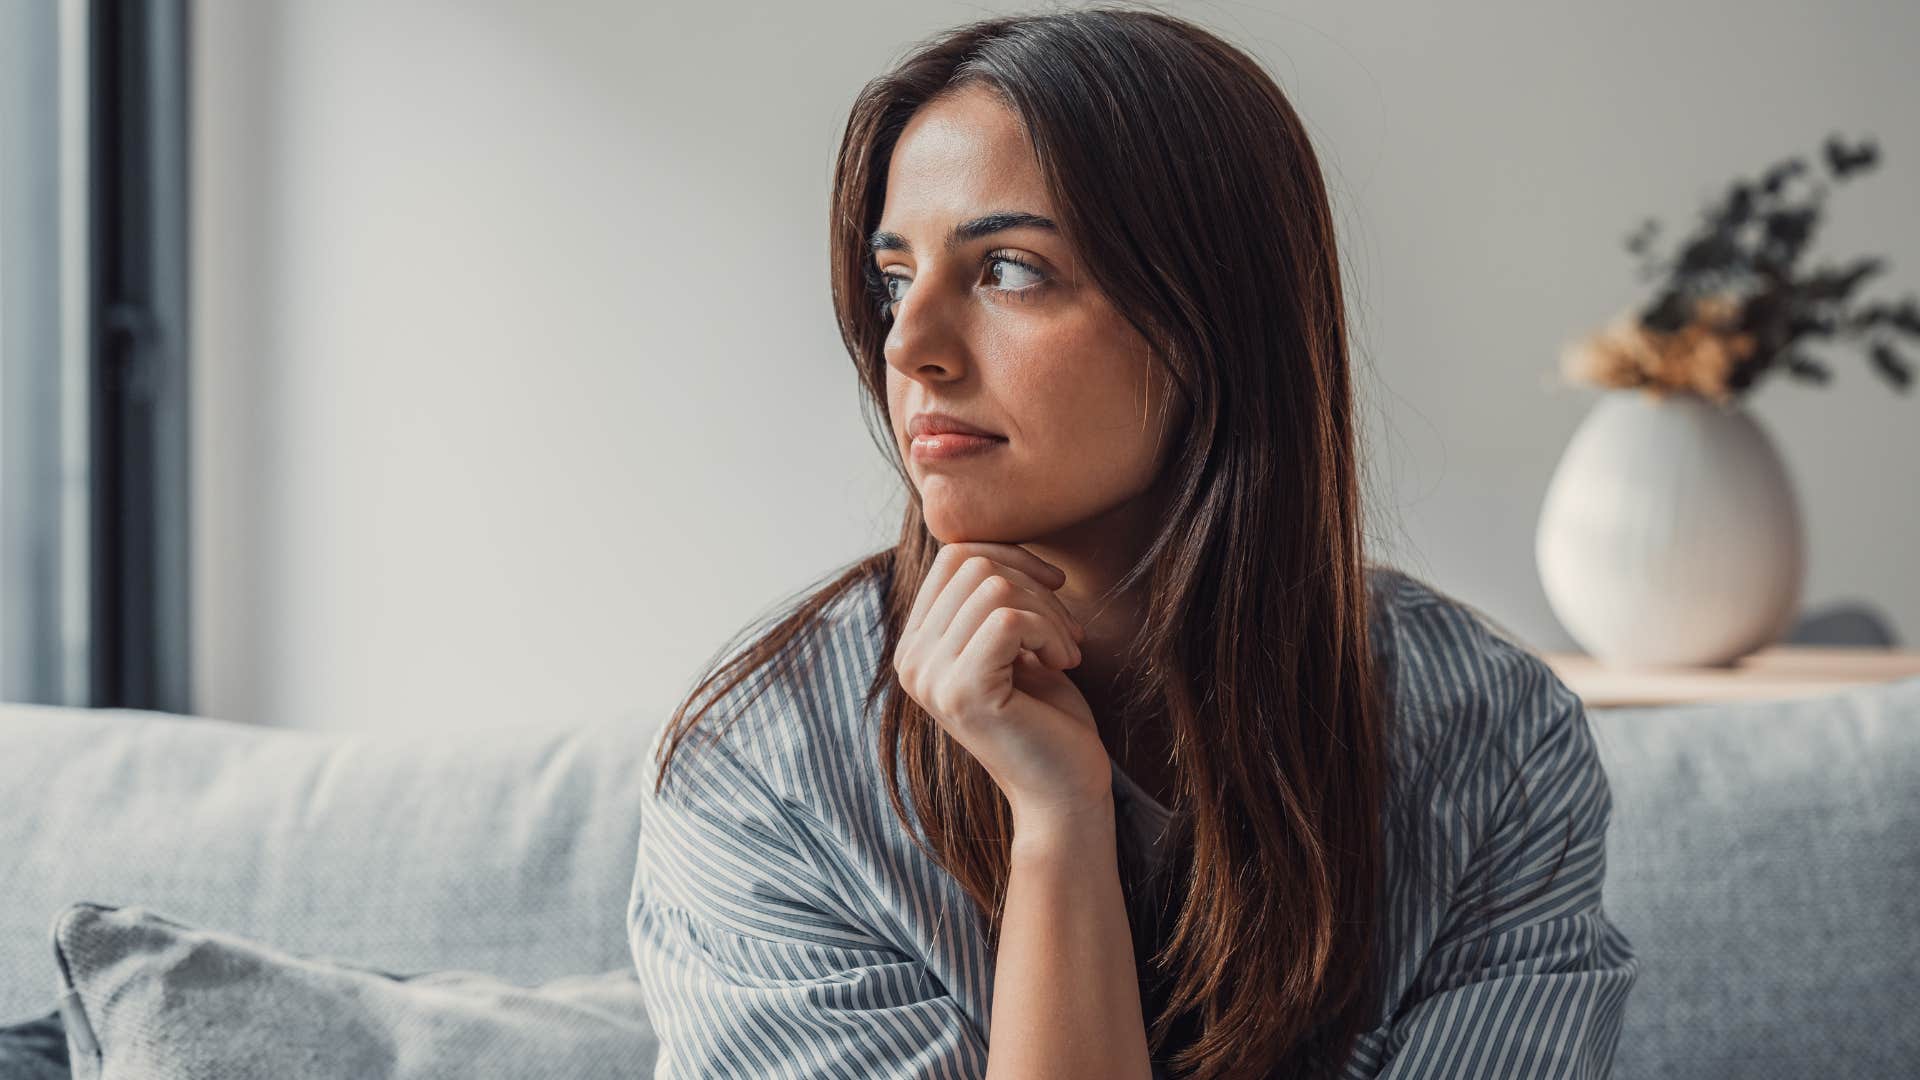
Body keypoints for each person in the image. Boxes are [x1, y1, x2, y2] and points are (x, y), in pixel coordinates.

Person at [627, 6, 1638, 1078]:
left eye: (1009, 269)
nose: (909, 346)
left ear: (1211, 322)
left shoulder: (1488, 747)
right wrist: (1059, 825)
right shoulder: (768, 773)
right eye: (892, 279)